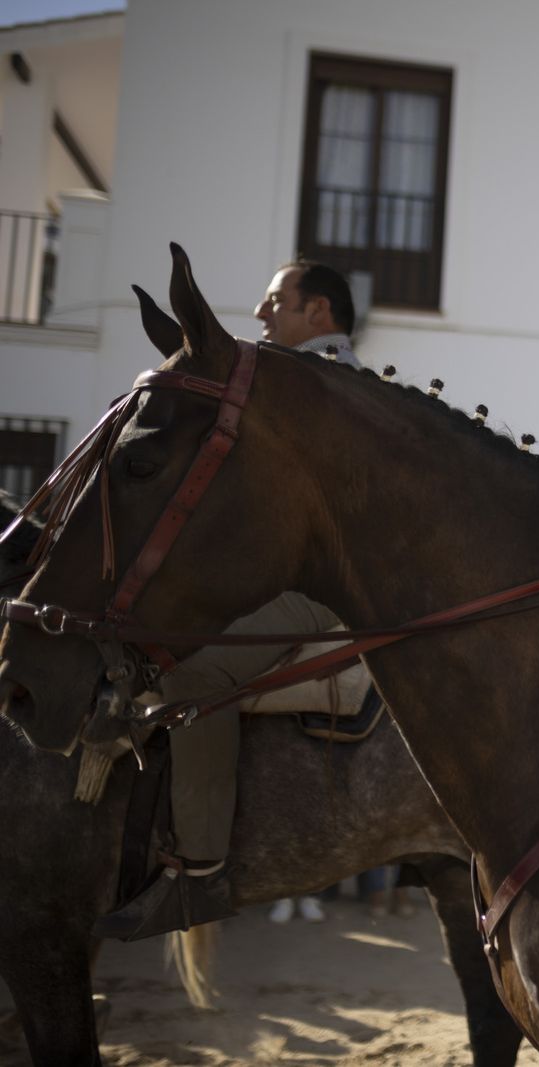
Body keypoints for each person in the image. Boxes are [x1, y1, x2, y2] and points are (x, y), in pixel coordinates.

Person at [95, 261, 360, 940]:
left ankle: (199, 871)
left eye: (276, 302)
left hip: (317, 591)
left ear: (320, 313)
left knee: (197, 671)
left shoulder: (330, 387)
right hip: (278, 577)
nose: (262, 314)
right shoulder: (291, 384)